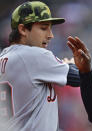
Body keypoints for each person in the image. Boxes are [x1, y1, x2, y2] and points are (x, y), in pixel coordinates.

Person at [0, 1, 79, 131]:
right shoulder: (34, 55)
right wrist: (70, 64)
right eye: (43, 28)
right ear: (23, 29)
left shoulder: (4, 56)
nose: (50, 35)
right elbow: (79, 77)